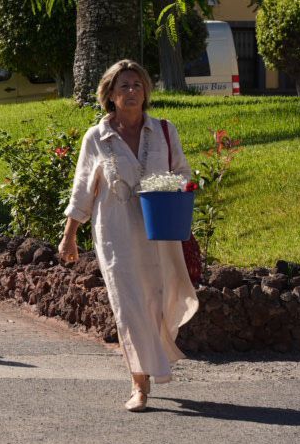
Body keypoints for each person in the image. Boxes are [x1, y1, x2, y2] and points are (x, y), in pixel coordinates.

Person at [59, 60, 199, 412]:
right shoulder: (97, 137)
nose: (132, 92)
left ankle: (155, 359)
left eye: (137, 85)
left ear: (146, 90)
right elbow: (82, 190)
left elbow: (183, 173)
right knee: (130, 305)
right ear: (110, 95)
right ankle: (139, 383)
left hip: (162, 233)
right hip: (116, 235)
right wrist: (69, 236)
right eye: (123, 86)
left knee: (161, 301)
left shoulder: (165, 130)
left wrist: (179, 194)